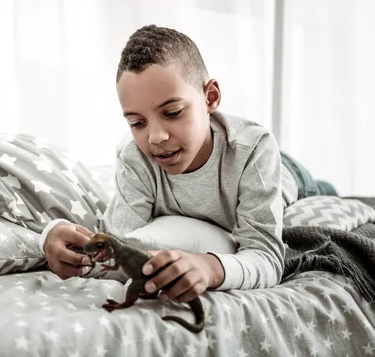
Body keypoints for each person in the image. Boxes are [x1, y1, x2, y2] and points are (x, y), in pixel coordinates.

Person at [38, 24, 338, 303]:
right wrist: (51, 237)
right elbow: (118, 245)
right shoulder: (136, 158)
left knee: (318, 188)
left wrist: (209, 267)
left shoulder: (252, 150)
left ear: (210, 97)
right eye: (137, 122)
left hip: (287, 173)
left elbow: (267, 257)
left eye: (173, 112)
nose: (155, 137)